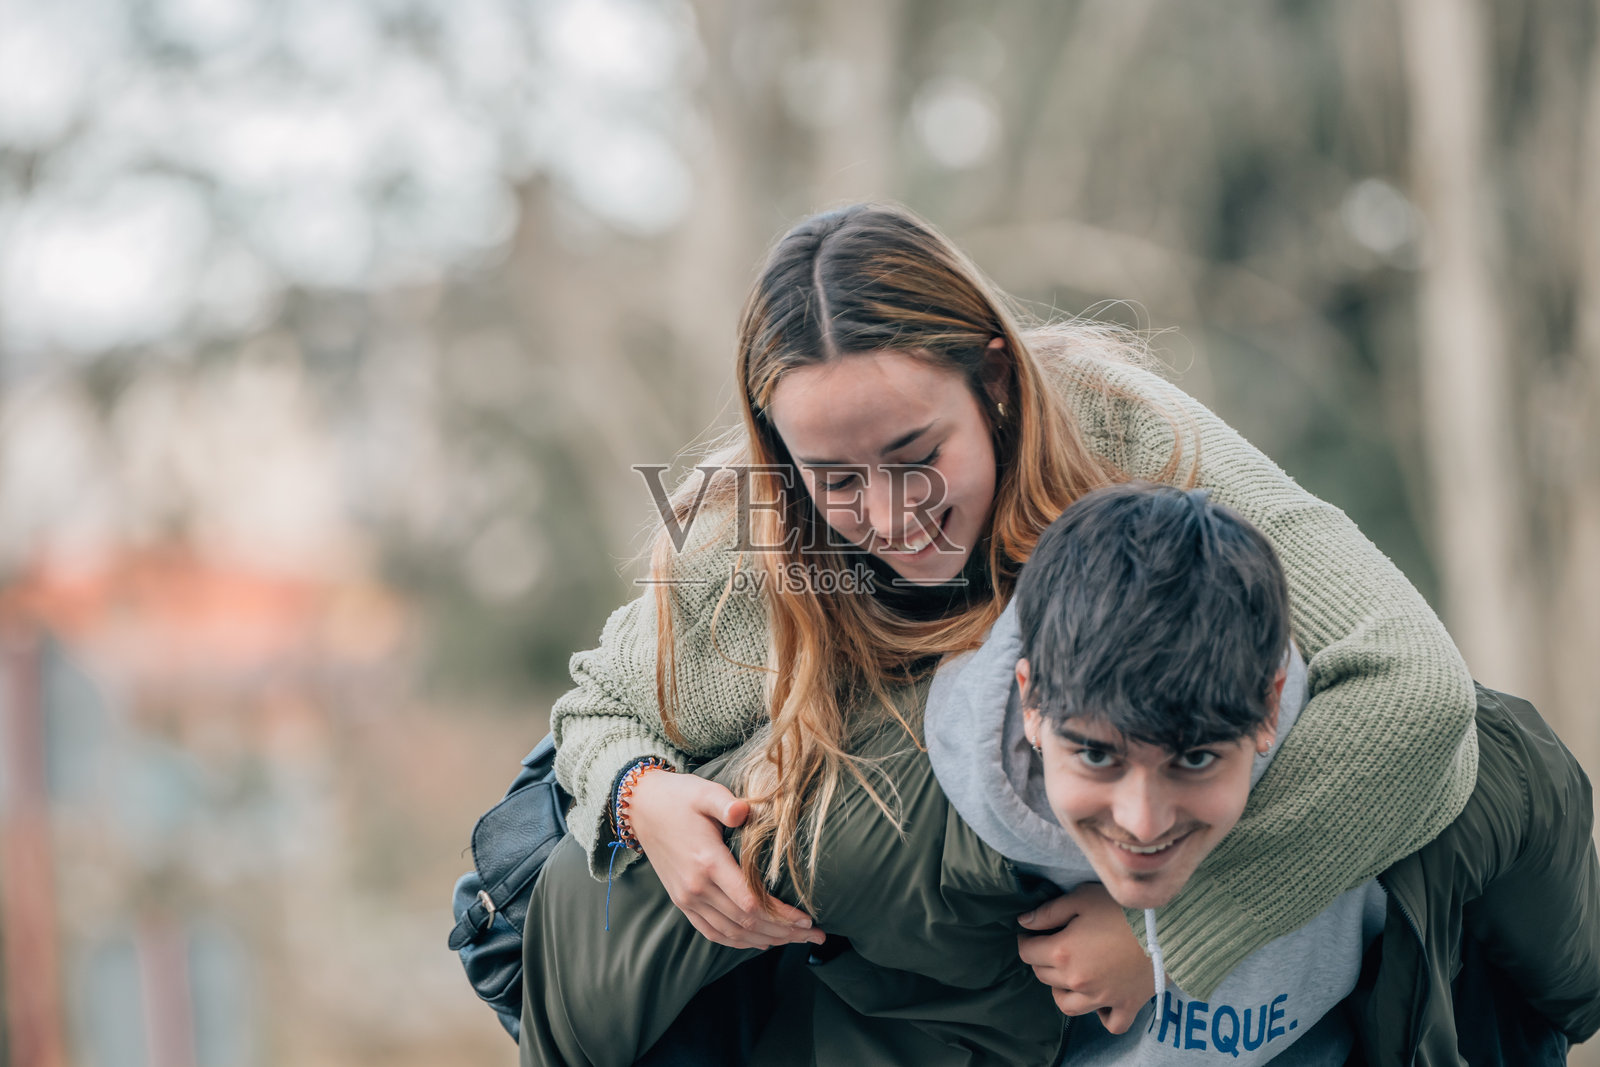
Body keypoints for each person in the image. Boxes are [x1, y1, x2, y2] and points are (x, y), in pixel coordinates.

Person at [519, 203, 1480, 1064]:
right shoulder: (747, 549)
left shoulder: (1133, 446)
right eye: (839, 479)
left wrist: (1168, 927)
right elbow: (594, 710)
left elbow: (1416, 681)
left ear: (995, 381)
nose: (893, 516)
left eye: (916, 454)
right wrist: (638, 797)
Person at [926, 482, 1600, 1064]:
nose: (1142, 819)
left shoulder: (1375, 780)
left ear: (1270, 707)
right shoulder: (927, 805)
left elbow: (1556, 964)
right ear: (1034, 700)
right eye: (1098, 756)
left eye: (1194, 759)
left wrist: (1163, 936)